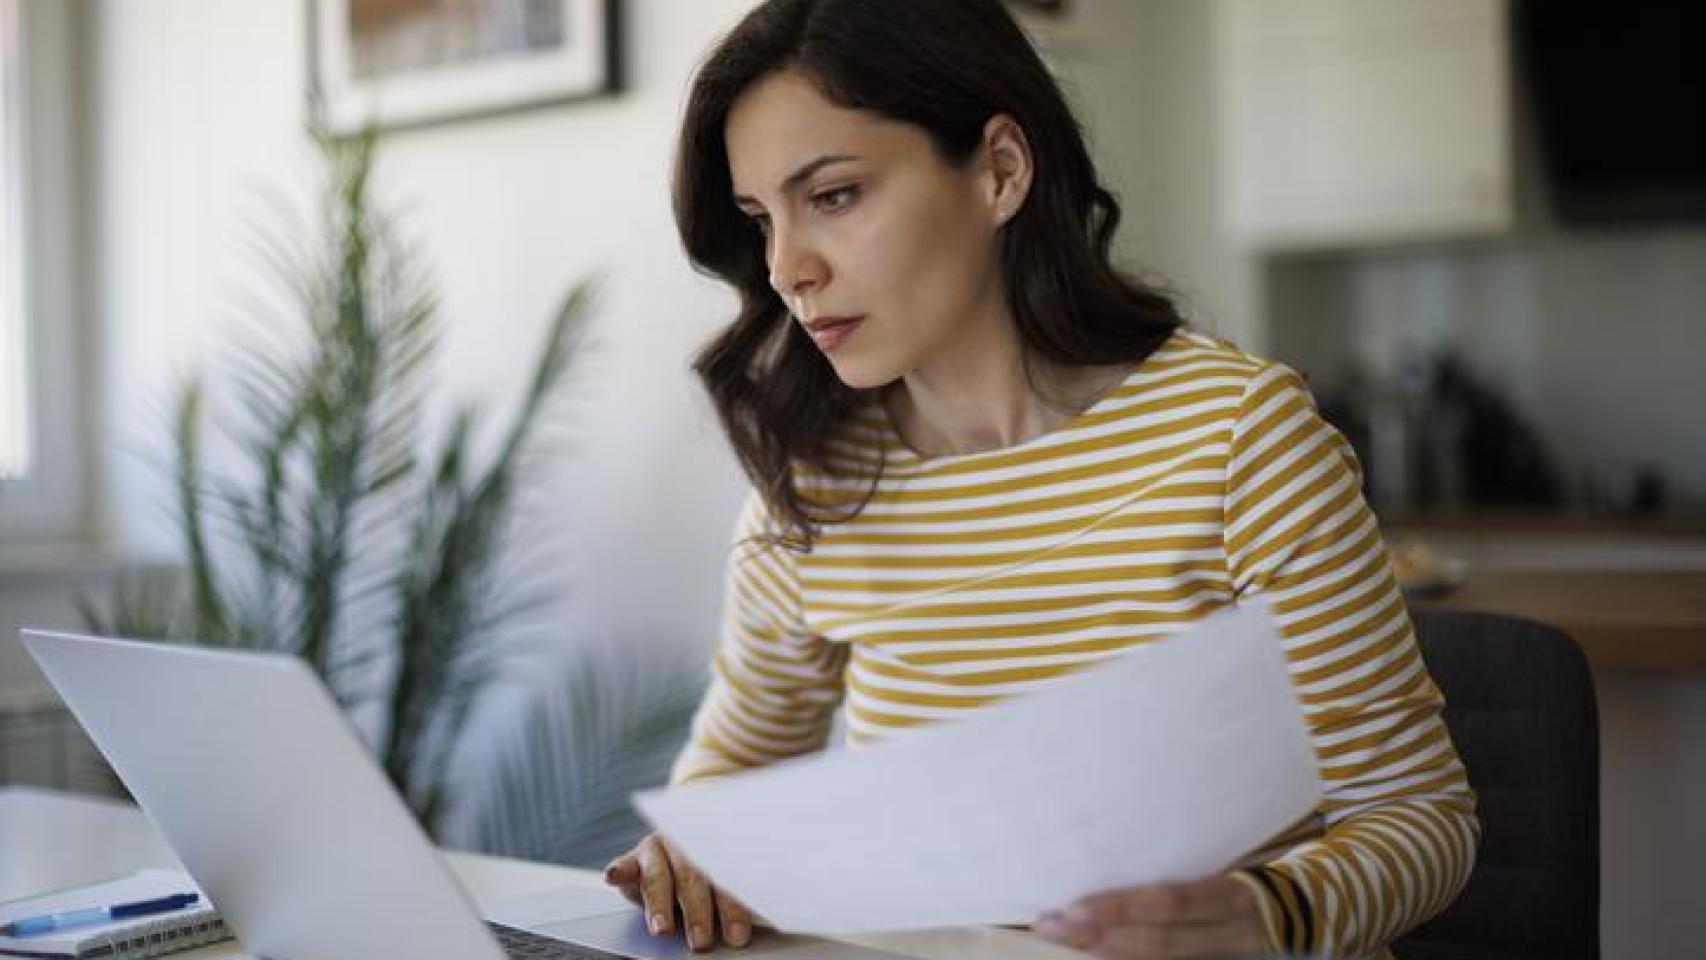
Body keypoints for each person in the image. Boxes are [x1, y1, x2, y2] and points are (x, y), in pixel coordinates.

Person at [603, 1, 1480, 957]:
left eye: (836, 196)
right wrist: (687, 860)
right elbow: (726, 787)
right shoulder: (811, 487)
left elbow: (1420, 816)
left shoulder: (1237, 438)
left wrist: (1266, 913)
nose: (787, 269)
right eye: (760, 220)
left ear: (1000, 170)